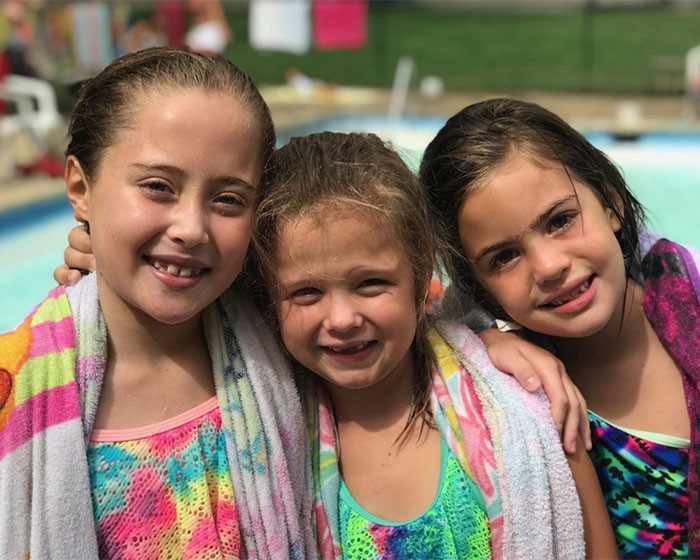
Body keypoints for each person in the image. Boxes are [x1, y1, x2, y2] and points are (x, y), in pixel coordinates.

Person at [0, 48, 315, 559]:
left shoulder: (299, 349)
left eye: (229, 199)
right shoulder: (14, 387)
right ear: (81, 187)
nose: (191, 228)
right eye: (157, 187)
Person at [251, 131, 617, 558]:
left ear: (422, 272)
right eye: (306, 292)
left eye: (371, 283)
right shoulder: (259, 436)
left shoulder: (531, 407)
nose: (342, 319)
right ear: (267, 297)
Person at [420, 97, 700, 559]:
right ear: (481, 290)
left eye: (560, 220)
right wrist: (476, 343)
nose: (549, 266)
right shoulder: (514, 392)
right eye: (504, 257)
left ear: (611, 202)